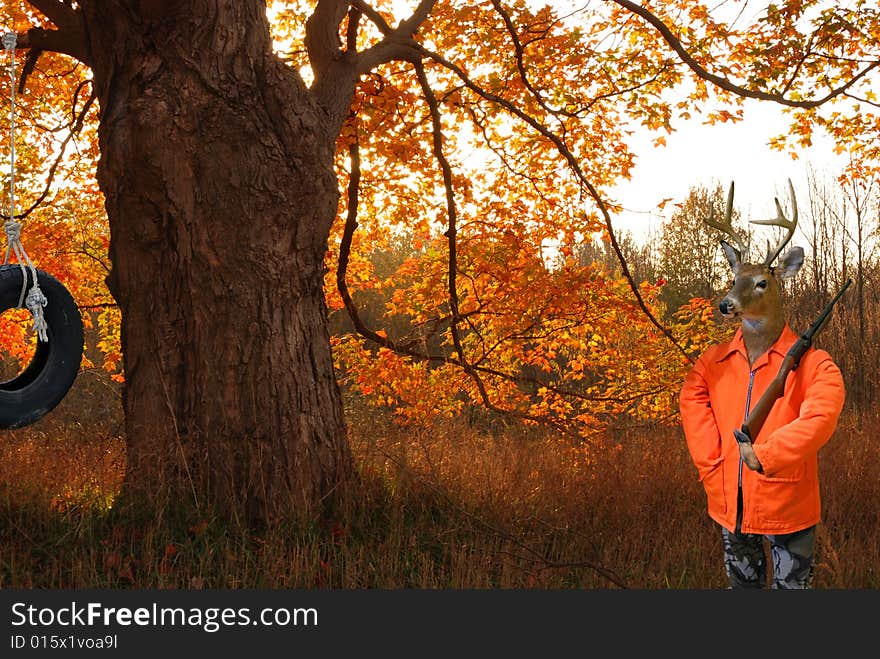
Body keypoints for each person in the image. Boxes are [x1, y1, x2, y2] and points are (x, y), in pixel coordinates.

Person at [679, 234, 845, 589]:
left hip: (789, 510)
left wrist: (765, 455)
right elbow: (692, 401)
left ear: (778, 283)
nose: (738, 294)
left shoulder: (815, 365)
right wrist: (713, 467)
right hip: (731, 508)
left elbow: (820, 417)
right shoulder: (713, 362)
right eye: (736, 284)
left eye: (756, 285)